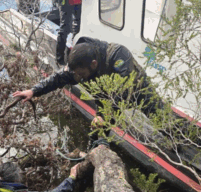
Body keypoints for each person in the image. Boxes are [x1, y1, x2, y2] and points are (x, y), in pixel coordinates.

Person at [11, 37, 166, 146]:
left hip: (136, 89)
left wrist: (104, 115)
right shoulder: (79, 65)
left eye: (82, 74)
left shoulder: (118, 55)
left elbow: (123, 91)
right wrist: (33, 91)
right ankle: (98, 153)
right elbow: (58, 78)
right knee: (97, 131)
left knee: (162, 118)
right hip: (107, 98)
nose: (79, 78)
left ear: (93, 64)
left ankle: (182, 144)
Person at [54, 0, 82, 67]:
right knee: (64, 29)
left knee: (77, 29)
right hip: (65, 0)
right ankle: (59, 59)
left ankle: (71, 55)